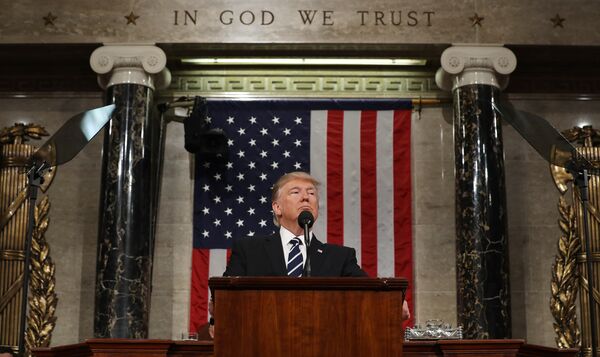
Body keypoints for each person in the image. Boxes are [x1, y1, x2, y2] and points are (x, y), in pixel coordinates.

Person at [223, 171, 410, 320]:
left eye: (311, 193)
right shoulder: (249, 250)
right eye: (296, 192)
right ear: (277, 207)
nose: (306, 198)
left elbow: (372, 294)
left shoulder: (340, 258)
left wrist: (391, 303)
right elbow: (223, 299)